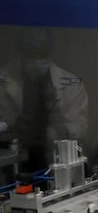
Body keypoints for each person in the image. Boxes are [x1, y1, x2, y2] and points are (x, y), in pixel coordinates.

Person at [0, 27, 89, 172]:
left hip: (56, 161)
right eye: (30, 55)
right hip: (13, 163)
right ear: (20, 53)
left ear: (50, 54)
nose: (36, 61)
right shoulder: (3, 80)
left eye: (42, 55)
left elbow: (78, 132)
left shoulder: (71, 84)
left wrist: (55, 113)